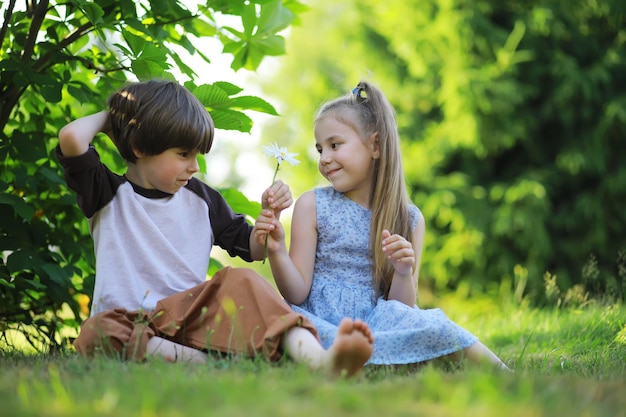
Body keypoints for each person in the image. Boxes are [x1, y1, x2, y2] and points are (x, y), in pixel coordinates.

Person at [56, 79, 373, 377]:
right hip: (128, 321)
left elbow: (252, 248)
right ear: (139, 146)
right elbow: (71, 138)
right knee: (96, 333)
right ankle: (207, 362)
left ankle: (320, 360)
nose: (193, 166)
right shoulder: (107, 192)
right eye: (183, 154)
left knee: (243, 280)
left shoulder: (201, 198)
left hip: (191, 316)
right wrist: (117, 116)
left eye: (195, 155)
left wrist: (268, 222)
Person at [255, 80, 510, 370]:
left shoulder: (409, 218)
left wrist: (403, 272)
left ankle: (502, 372)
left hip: (378, 324)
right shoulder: (312, 205)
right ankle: (332, 361)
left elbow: (400, 308)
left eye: (334, 145)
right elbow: (296, 293)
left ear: (375, 145)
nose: (324, 159)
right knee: (291, 324)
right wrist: (276, 250)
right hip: (319, 321)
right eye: (320, 149)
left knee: (434, 323)